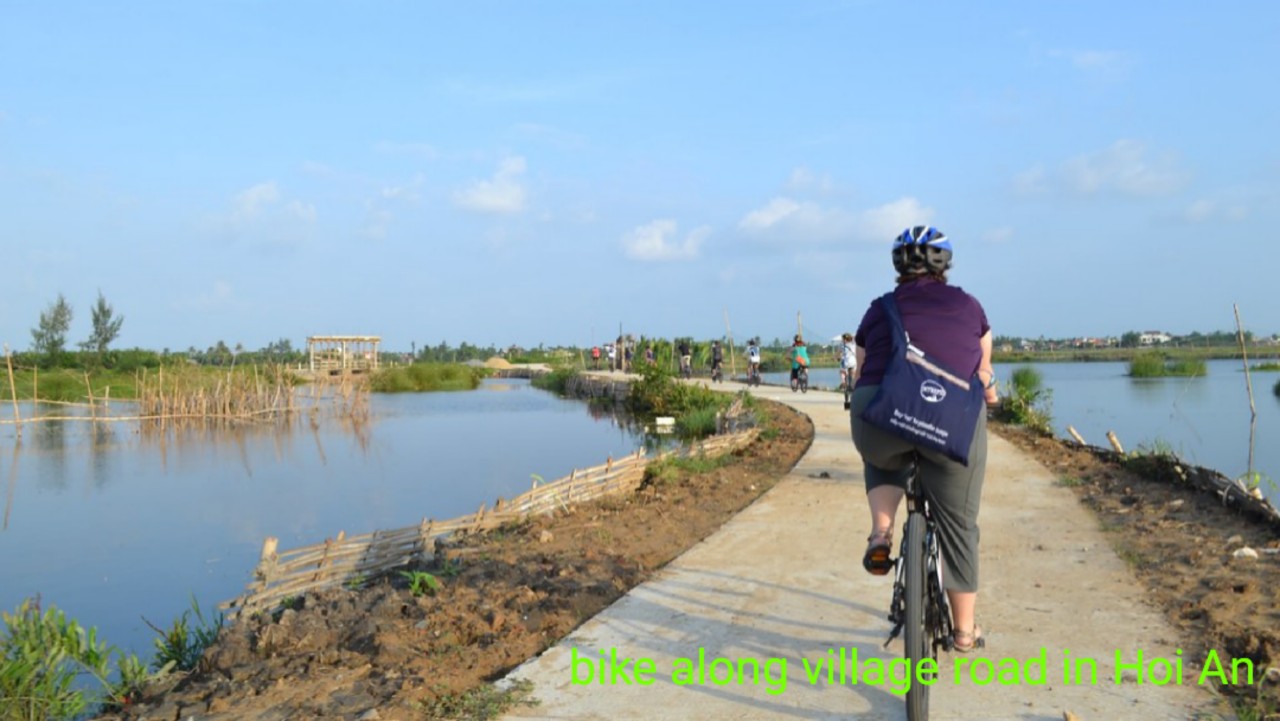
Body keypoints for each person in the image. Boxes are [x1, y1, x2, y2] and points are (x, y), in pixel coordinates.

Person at [849, 225, 999, 653]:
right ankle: (965, 632)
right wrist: (989, 391)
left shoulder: (880, 309)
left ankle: (881, 532)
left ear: (899, 267)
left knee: (883, 432)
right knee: (959, 525)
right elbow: (983, 369)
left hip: (880, 418)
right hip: (948, 422)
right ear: (944, 264)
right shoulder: (970, 307)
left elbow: (863, 372)